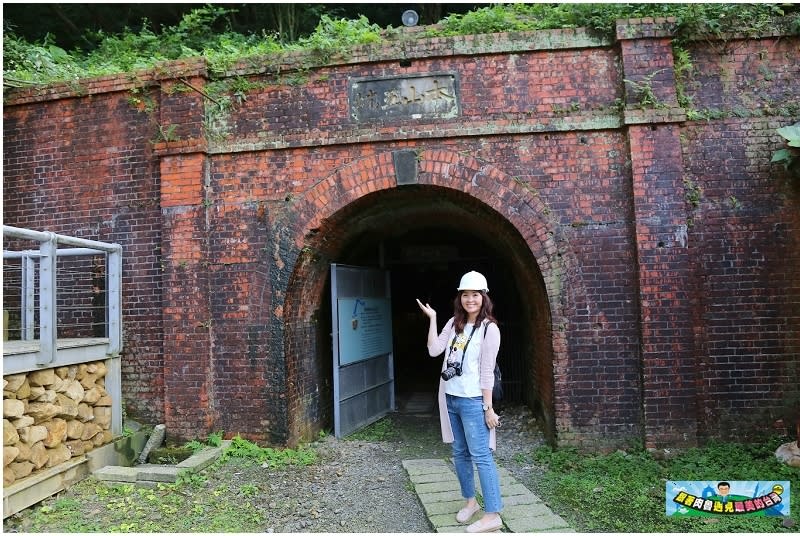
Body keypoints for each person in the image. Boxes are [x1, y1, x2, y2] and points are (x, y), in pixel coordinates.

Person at [416, 270, 503, 533]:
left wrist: (488, 407)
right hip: (451, 397)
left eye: (475, 294)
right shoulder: (454, 324)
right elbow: (434, 351)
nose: (470, 299)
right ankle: (470, 502)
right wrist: (432, 319)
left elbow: (487, 371)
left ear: (484, 297)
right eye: (465, 295)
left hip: (473, 400)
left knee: (482, 456)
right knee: (459, 454)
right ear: (460, 298)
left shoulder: (490, 329)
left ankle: (493, 514)